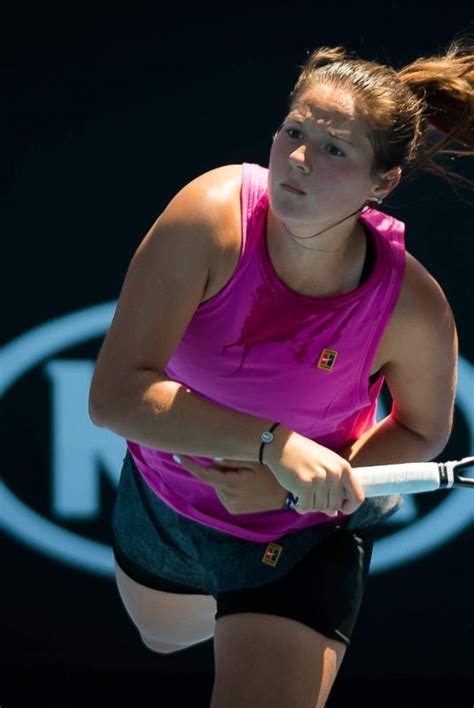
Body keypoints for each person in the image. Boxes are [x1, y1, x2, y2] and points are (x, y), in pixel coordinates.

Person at [89, 38, 472, 708]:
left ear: (382, 183)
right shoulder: (208, 218)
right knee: (164, 638)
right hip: (160, 508)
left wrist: (297, 488)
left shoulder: (413, 307)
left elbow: (423, 430)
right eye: (294, 131)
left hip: (298, 540)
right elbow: (116, 395)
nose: (298, 160)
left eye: (333, 150)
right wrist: (275, 444)